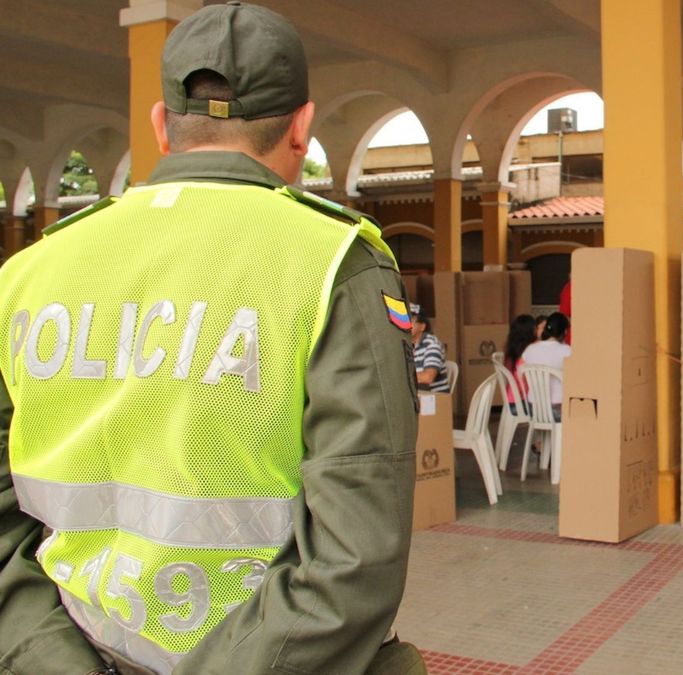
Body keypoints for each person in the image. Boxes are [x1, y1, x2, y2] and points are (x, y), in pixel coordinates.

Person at [0, 4, 424, 673]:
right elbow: (355, 559)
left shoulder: (26, 274)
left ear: (161, 125)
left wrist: (50, 658)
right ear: (302, 128)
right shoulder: (333, 265)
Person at [521, 312, 572, 418]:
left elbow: (521, 374)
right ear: (565, 332)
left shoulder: (530, 349)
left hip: (534, 408)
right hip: (558, 409)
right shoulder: (567, 351)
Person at [502, 313, 537, 410]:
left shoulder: (512, 351)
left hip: (511, 400)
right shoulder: (527, 353)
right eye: (535, 328)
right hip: (522, 404)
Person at [412, 308, 450, 393]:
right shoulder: (407, 345)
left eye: (411, 320)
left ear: (422, 326)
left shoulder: (432, 344)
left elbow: (427, 378)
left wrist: (400, 378)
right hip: (418, 395)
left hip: (434, 397)